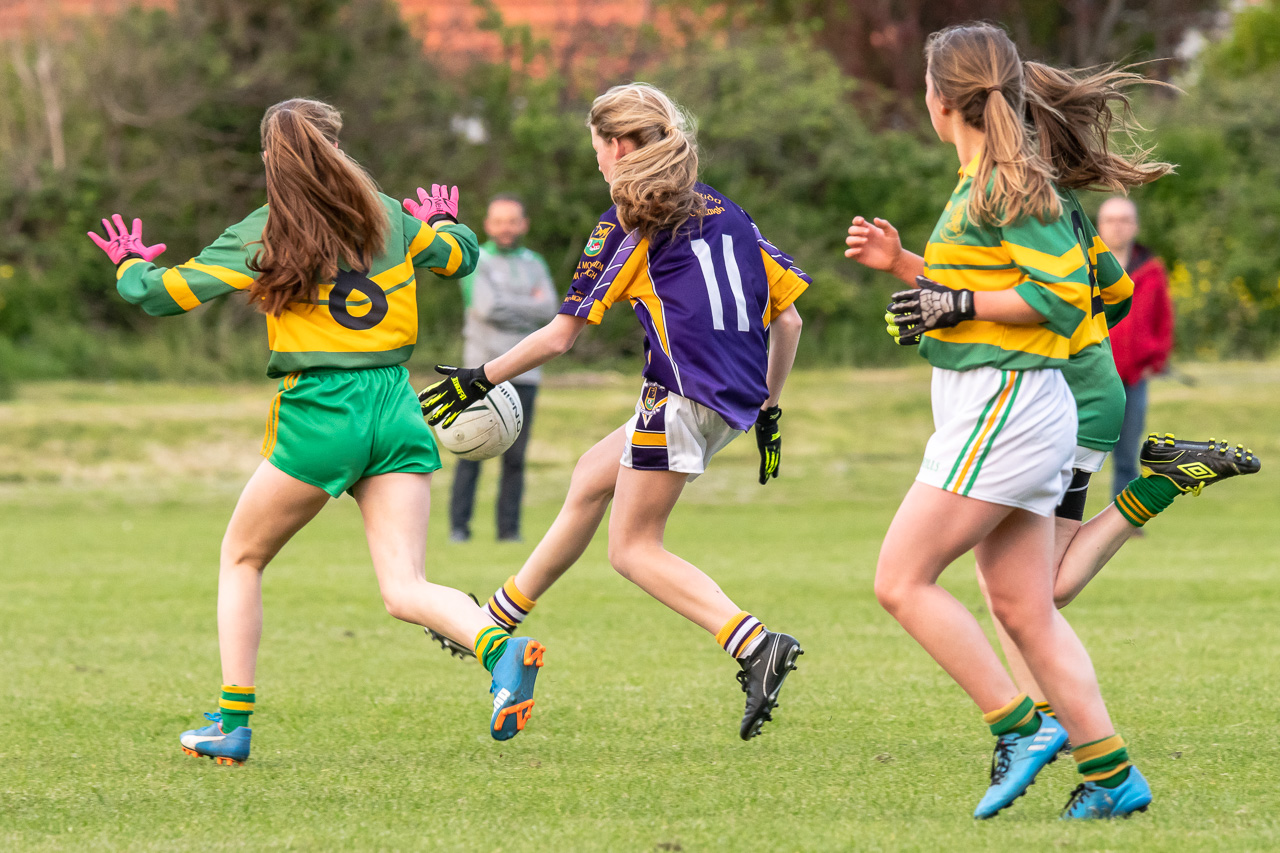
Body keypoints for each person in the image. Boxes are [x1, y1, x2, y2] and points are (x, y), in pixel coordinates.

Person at [86, 98, 547, 765]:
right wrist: (442, 217)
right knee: (404, 587)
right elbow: (462, 256)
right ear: (339, 148)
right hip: (395, 407)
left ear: (273, 159)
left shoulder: (265, 230)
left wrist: (129, 264)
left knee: (242, 558)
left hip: (322, 412)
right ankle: (500, 650)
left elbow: (160, 295)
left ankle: (233, 723)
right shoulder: (390, 214)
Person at [843, 24, 1170, 820]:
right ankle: (1112, 774)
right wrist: (916, 281)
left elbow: (1062, 300)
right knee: (1024, 606)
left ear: (939, 98)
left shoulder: (1008, 184)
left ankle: (1019, 725)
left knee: (899, 579)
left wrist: (954, 304)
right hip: (1006, 404)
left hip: (1007, 407)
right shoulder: (991, 181)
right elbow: (1034, 292)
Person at [419, 83, 808, 741]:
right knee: (592, 474)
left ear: (621, 145)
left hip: (679, 398)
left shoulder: (630, 222)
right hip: (731, 401)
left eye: (599, 147)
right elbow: (790, 317)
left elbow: (561, 335)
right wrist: (770, 407)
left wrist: (478, 378)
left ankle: (754, 644)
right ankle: (498, 616)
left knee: (632, 549)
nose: (599, 161)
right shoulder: (728, 210)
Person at [449, 194, 559, 543]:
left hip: (526, 372)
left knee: (516, 458)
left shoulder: (535, 262)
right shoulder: (475, 259)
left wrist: (508, 304)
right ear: (487, 225)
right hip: (478, 372)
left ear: (523, 224)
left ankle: (509, 532)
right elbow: (486, 309)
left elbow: (551, 310)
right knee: (470, 451)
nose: (505, 228)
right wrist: (528, 305)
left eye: (512, 221)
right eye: (498, 221)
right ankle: (459, 529)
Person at [1097, 196, 1175, 501]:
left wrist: (1154, 360)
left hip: (1133, 377)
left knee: (1128, 454)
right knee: (1073, 452)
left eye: (1124, 220)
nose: (1117, 227)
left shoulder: (1151, 270)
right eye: (1110, 220)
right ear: (1099, 227)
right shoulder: (1082, 267)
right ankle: (1059, 522)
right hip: (1091, 373)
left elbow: (1163, 319)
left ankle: (1124, 521)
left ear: (1135, 226)